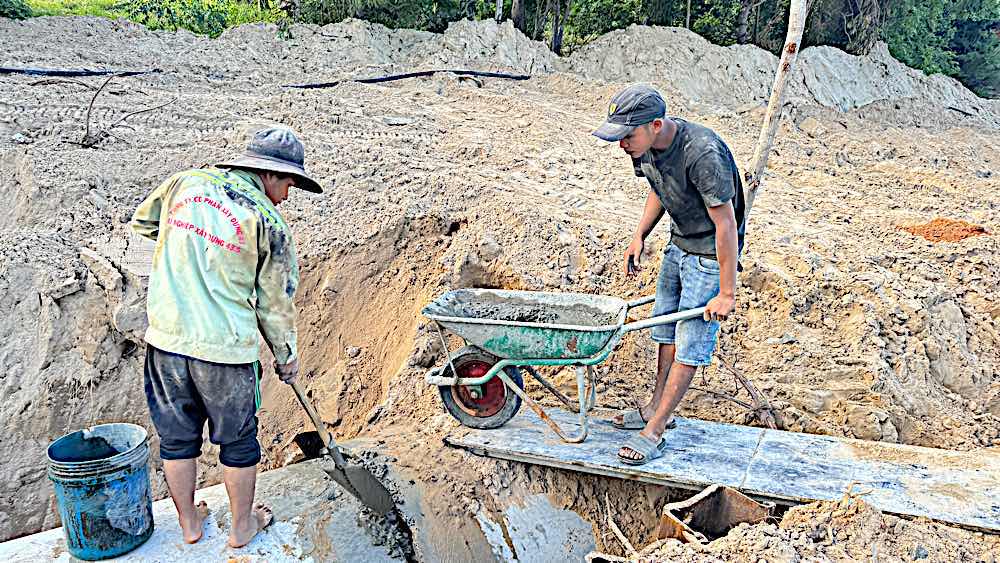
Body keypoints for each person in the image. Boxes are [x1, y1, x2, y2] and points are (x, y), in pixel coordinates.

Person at [130, 127, 323, 546]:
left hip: (166, 340)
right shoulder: (270, 224)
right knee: (238, 441)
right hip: (225, 352)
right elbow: (276, 304)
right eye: (289, 183)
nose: (288, 195)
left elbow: (145, 223)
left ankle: (189, 524)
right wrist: (286, 356)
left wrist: (191, 251)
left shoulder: (186, 182)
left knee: (177, 438)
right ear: (268, 174)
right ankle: (241, 526)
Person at [592, 84, 745, 466]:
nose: (622, 144)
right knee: (665, 331)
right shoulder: (644, 147)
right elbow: (658, 188)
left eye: (627, 136)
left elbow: (725, 223)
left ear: (656, 124)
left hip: (710, 255)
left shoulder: (702, 153)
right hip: (678, 245)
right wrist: (639, 235)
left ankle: (656, 430)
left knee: (691, 341)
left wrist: (726, 291)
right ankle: (654, 409)